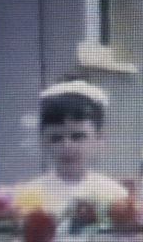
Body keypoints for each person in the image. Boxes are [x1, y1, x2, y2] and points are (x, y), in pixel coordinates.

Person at [7, 79, 127, 216]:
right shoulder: (30, 195)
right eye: (56, 138)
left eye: (78, 137)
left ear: (98, 140)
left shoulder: (113, 194)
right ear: (43, 142)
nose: (67, 146)